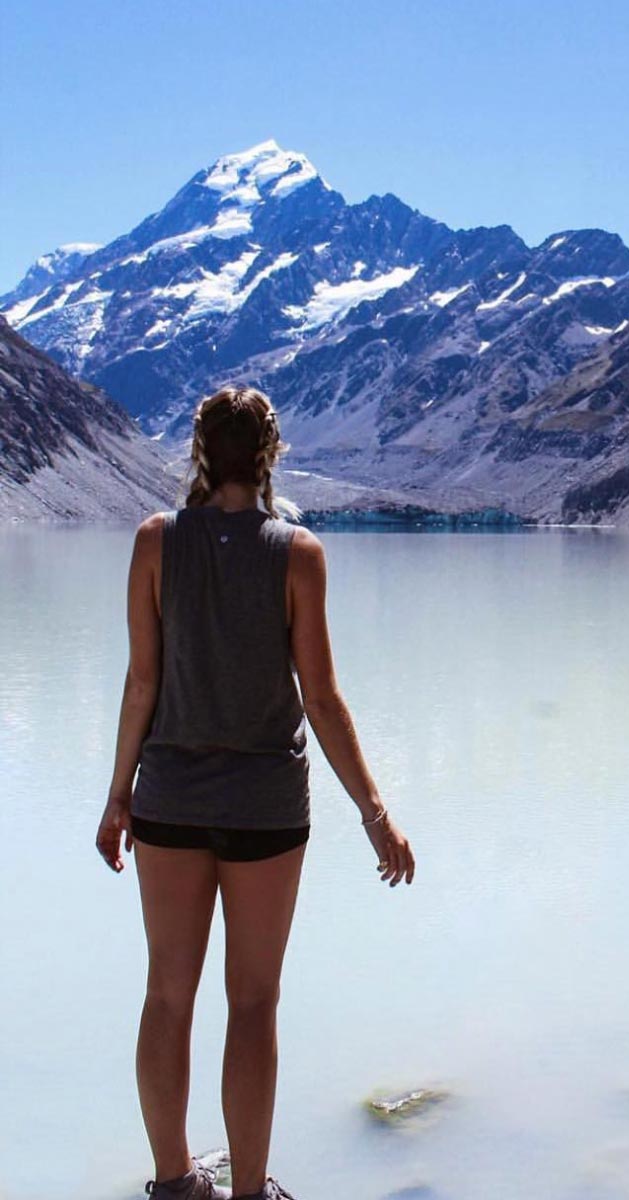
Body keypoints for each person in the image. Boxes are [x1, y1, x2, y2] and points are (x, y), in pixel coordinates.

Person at [95, 385, 415, 1200]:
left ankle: (174, 1182)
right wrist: (376, 815)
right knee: (253, 1004)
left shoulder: (154, 542)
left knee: (166, 993)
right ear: (270, 455)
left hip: (168, 798)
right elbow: (322, 696)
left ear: (200, 452)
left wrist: (117, 795)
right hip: (267, 806)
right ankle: (248, 1194)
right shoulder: (298, 552)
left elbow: (141, 682)